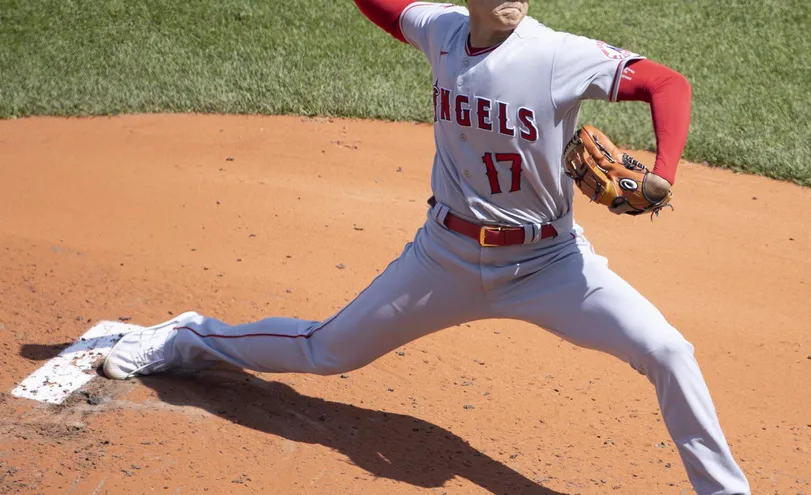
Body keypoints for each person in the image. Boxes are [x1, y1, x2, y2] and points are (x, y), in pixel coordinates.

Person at [102, 1, 750, 493]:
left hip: (551, 263)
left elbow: (668, 84)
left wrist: (666, 167)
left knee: (668, 348)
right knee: (325, 350)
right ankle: (184, 337)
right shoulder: (440, 30)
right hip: (444, 258)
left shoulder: (558, 54)